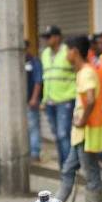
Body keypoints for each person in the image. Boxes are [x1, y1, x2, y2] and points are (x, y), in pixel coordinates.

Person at [56, 35, 102, 202]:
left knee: (91, 172)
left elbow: (91, 99)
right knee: (68, 170)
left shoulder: (86, 72)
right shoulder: (82, 72)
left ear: (74, 52)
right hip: (80, 134)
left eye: (66, 50)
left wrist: (82, 120)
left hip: (87, 132)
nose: (65, 55)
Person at [39, 26, 74, 165]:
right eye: (45, 37)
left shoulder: (68, 51)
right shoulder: (45, 53)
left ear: (58, 37)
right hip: (50, 102)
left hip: (65, 100)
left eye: (49, 37)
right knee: (57, 136)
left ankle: (68, 166)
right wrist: (44, 100)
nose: (47, 40)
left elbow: (77, 72)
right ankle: (63, 165)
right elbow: (46, 78)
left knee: (63, 134)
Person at [25, 41, 44, 161]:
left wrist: (34, 98)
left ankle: (35, 153)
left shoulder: (34, 61)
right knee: (26, 128)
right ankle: (27, 151)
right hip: (19, 103)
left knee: (33, 127)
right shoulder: (15, 61)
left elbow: (38, 81)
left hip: (31, 101)